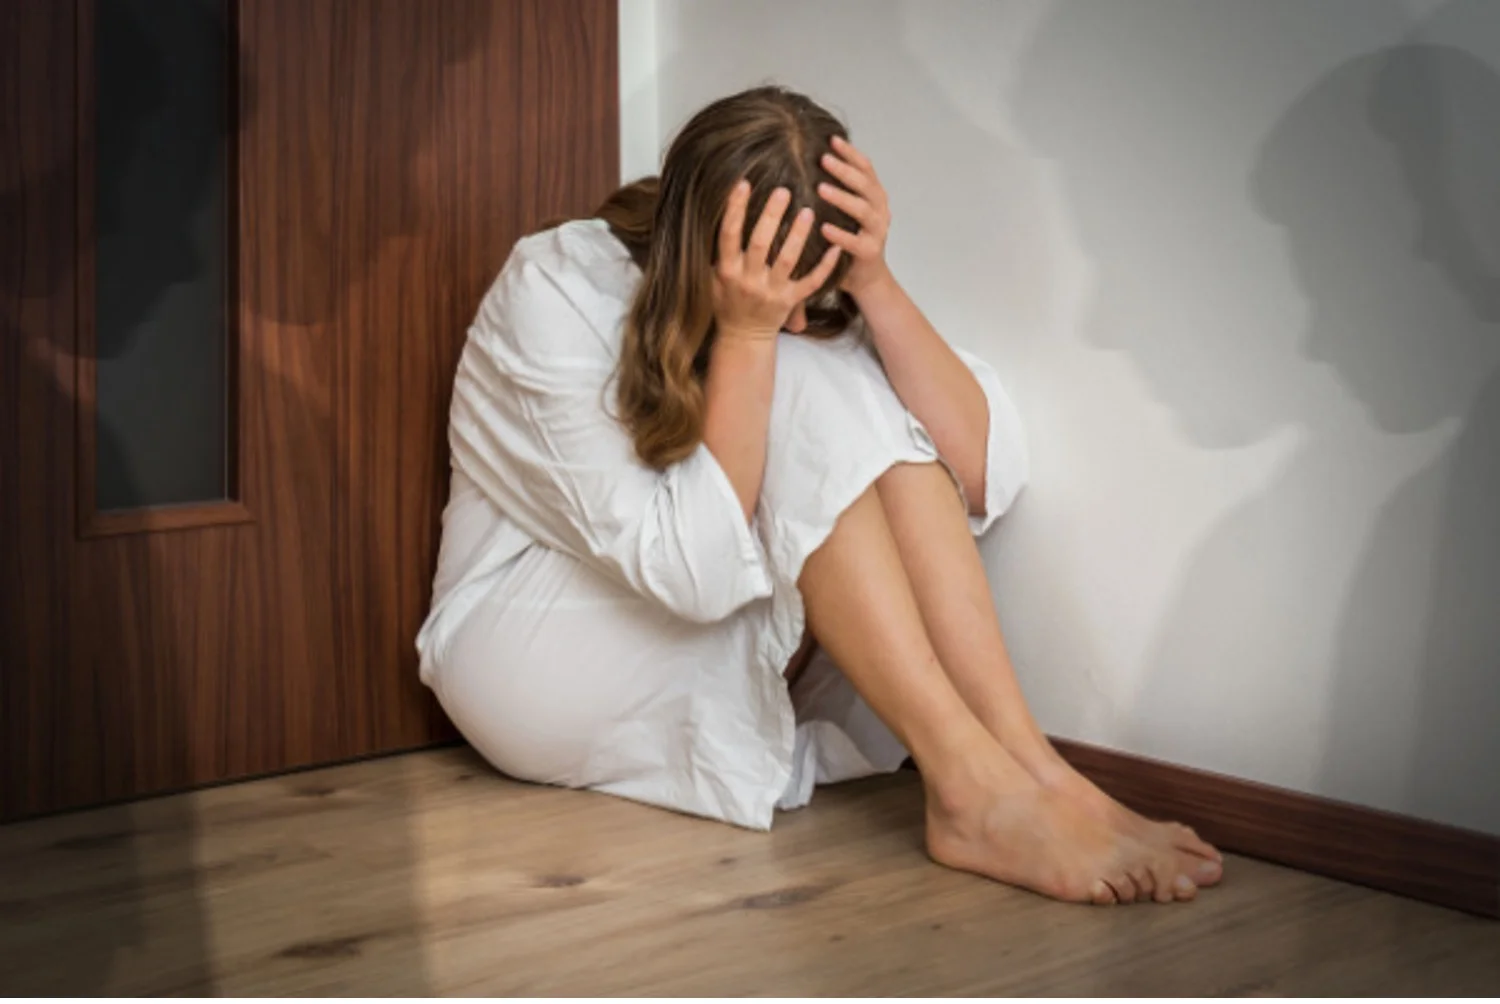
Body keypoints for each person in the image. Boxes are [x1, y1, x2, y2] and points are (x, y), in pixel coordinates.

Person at [416, 86, 1223, 905]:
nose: (804, 318)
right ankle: (971, 788)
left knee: (841, 381)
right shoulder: (554, 289)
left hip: (712, 632)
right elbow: (693, 576)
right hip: (540, 657)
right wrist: (748, 336)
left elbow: (979, 467)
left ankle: (1031, 769)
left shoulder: (814, 289)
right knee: (805, 374)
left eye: (819, 292)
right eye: (795, 299)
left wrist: (872, 282)